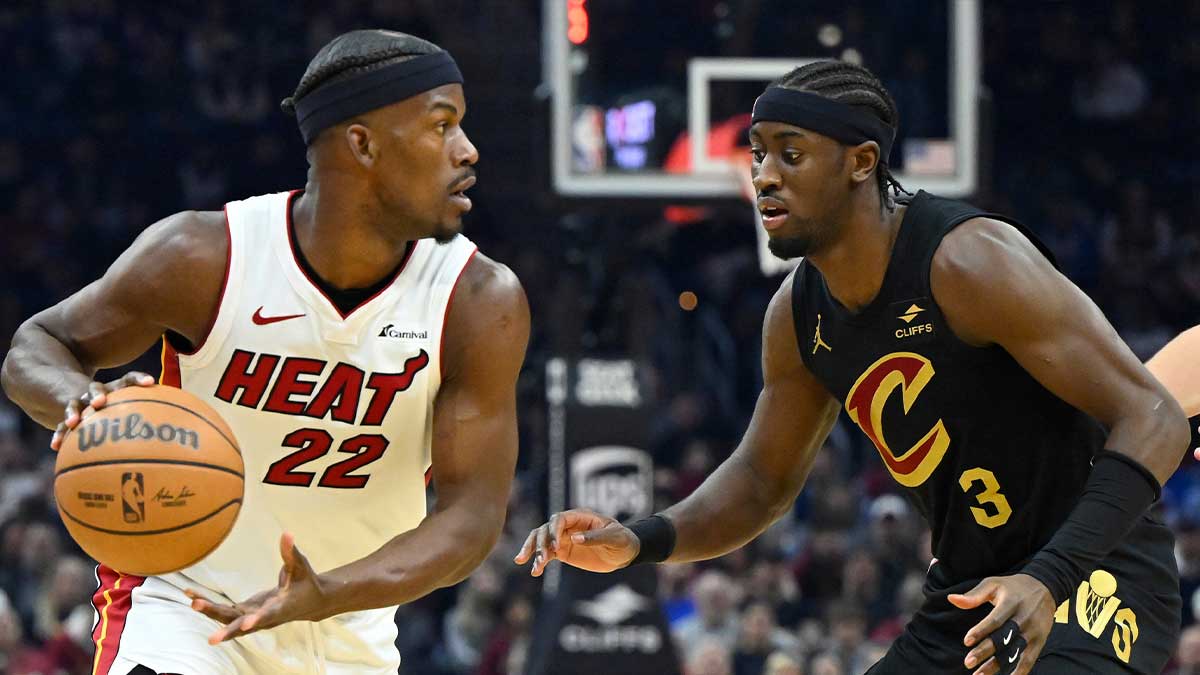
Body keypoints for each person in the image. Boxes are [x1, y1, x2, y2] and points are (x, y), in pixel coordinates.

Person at [516, 60, 1188, 675]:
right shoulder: (797, 315)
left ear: (861, 161)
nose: (763, 174)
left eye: (791, 153)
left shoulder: (969, 261)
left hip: (1097, 572)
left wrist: (1049, 577)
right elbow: (759, 481)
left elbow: (1155, 417)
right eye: (757, 154)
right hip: (970, 587)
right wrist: (638, 539)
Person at [1, 29, 529, 675]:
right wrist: (80, 402)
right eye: (441, 125)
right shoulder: (203, 257)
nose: (468, 150)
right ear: (361, 144)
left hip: (347, 630)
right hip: (182, 611)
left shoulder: (476, 301)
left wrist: (324, 593)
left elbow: (471, 519)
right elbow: (38, 344)